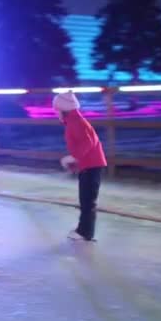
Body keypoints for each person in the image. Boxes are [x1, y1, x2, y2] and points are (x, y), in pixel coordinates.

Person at [53, 91, 107, 241]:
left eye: (56, 109)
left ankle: (85, 232)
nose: (55, 113)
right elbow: (84, 144)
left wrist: (74, 157)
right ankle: (83, 229)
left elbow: (89, 142)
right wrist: (75, 162)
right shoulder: (73, 121)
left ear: (64, 109)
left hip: (92, 165)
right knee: (85, 199)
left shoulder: (76, 121)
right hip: (89, 164)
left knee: (87, 200)